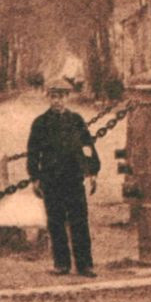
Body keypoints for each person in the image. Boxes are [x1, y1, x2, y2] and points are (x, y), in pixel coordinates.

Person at [26, 76, 100, 278]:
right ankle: (61, 264)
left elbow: (87, 147)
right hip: (51, 180)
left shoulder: (76, 121)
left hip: (74, 179)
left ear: (67, 97)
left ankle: (85, 265)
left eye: (61, 96)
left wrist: (92, 172)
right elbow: (33, 152)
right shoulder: (40, 123)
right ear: (48, 98)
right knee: (56, 222)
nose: (57, 101)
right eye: (53, 97)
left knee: (79, 222)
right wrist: (35, 178)